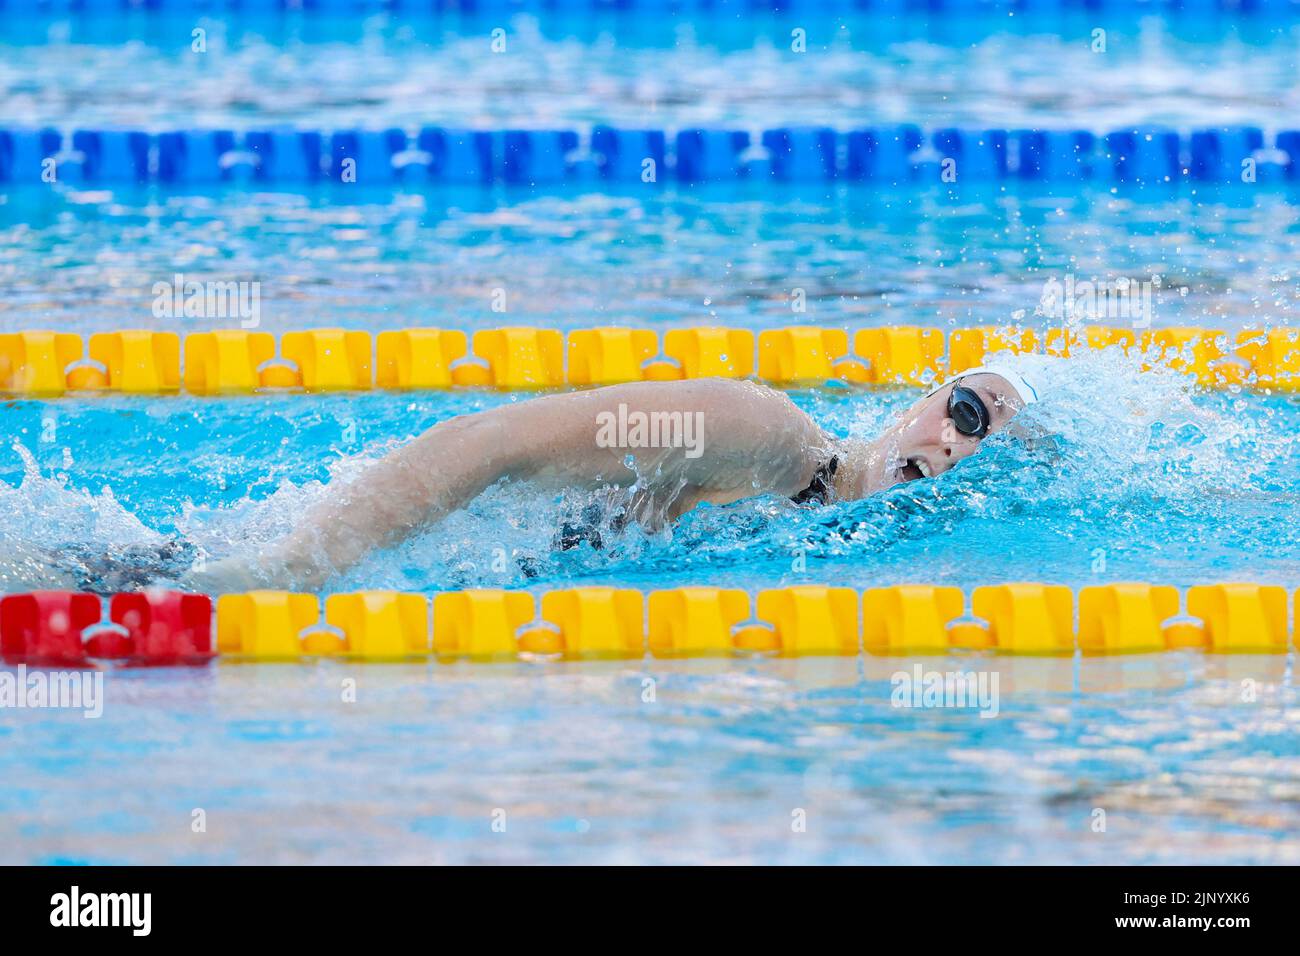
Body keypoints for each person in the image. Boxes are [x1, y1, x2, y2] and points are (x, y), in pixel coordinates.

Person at [187, 364, 1039, 594]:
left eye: (990, 445)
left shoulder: (831, 528)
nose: (959, 447)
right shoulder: (764, 434)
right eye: (968, 412)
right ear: (932, 391)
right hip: (312, 557)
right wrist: (300, 563)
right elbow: (487, 439)